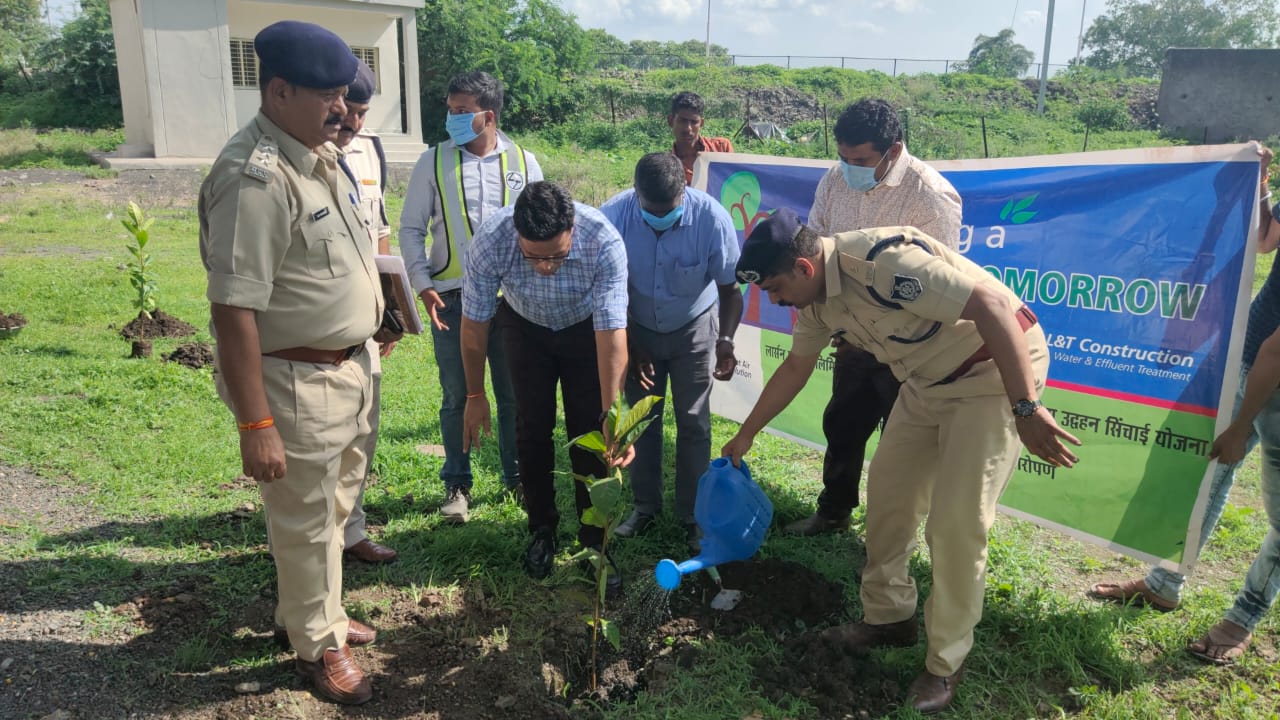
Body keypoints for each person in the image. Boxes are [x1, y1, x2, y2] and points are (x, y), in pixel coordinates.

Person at [722, 210, 1080, 713]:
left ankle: (945, 663)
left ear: (805, 267)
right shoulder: (817, 303)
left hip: (990, 378)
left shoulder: (884, 264)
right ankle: (889, 618)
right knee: (889, 497)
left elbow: (996, 305)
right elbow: (797, 365)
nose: (775, 301)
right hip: (925, 384)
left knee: (957, 524)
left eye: (777, 288)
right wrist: (746, 434)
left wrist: (1026, 407)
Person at [199, 21, 399, 705]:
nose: (342, 110)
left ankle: (320, 612)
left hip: (349, 369)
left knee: (338, 508)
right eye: (328, 97)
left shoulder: (318, 155)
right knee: (307, 520)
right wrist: (256, 421)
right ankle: (318, 645)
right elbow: (234, 309)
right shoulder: (254, 177)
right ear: (278, 90)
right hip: (296, 380)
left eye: (345, 96)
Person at [1088, 145, 1279, 655]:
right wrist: (1259, 185)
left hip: (1271, 371)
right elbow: (1265, 241)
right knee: (1204, 478)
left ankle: (1242, 618)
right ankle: (1163, 584)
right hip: (1244, 357)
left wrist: (1241, 425)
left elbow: (1278, 350)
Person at [788, 98, 963, 537]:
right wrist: (839, 323)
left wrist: (887, 333)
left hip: (908, 348)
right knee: (842, 427)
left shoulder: (931, 196)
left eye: (861, 160)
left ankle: (888, 535)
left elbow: (937, 285)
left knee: (899, 450)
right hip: (852, 337)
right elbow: (818, 252)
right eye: (845, 158)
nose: (851, 169)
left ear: (893, 149)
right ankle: (833, 512)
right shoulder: (834, 181)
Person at [459, 181, 630, 593]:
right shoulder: (491, 241)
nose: (545, 267)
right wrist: (475, 395)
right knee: (531, 427)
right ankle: (541, 530)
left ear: (572, 229)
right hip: (524, 326)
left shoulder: (602, 240)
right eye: (533, 257)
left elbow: (612, 335)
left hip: (583, 331)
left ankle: (595, 544)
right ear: (516, 233)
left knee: (589, 433)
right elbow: (474, 325)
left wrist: (615, 414)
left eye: (556, 255)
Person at [401, 71, 541, 522]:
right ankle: (458, 484)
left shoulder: (524, 162)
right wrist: (422, 283)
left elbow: (540, 227)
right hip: (452, 299)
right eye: (451, 110)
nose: (453, 119)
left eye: (463, 112)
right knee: (458, 395)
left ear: (489, 115)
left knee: (513, 395)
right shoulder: (432, 161)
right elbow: (410, 229)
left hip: (512, 302)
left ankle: (516, 479)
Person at [599, 153, 743, 553]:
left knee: (693, 421)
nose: (658, 217)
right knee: (642, 419)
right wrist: (630, 338)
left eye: (668, 210)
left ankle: (691, 515)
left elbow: (730, 290)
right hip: (635, 324)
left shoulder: (711, 219)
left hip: (693, 326)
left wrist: (725, 341)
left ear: (685, 188)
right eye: (650, 210)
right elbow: (605, 289)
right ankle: (645, 507)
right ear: (636, 194)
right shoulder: (613, 217)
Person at [332, 59, 397, 564]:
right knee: (316, 445)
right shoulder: (304, 154)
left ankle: (351, 531)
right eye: (346, 110)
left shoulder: (371, 150)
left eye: (362, 111)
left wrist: (389, 312)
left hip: (365, 324)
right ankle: (310, 546)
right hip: (315, 327)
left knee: (362, 430)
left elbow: (380, 234)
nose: (352, 122)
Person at [669, 91, 733, 185]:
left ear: (701, 123)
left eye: (694, 122)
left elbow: (734, 181)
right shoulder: (667, 167)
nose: (688, 128)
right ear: (670, 121)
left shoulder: (721, 148)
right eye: (682, 121)